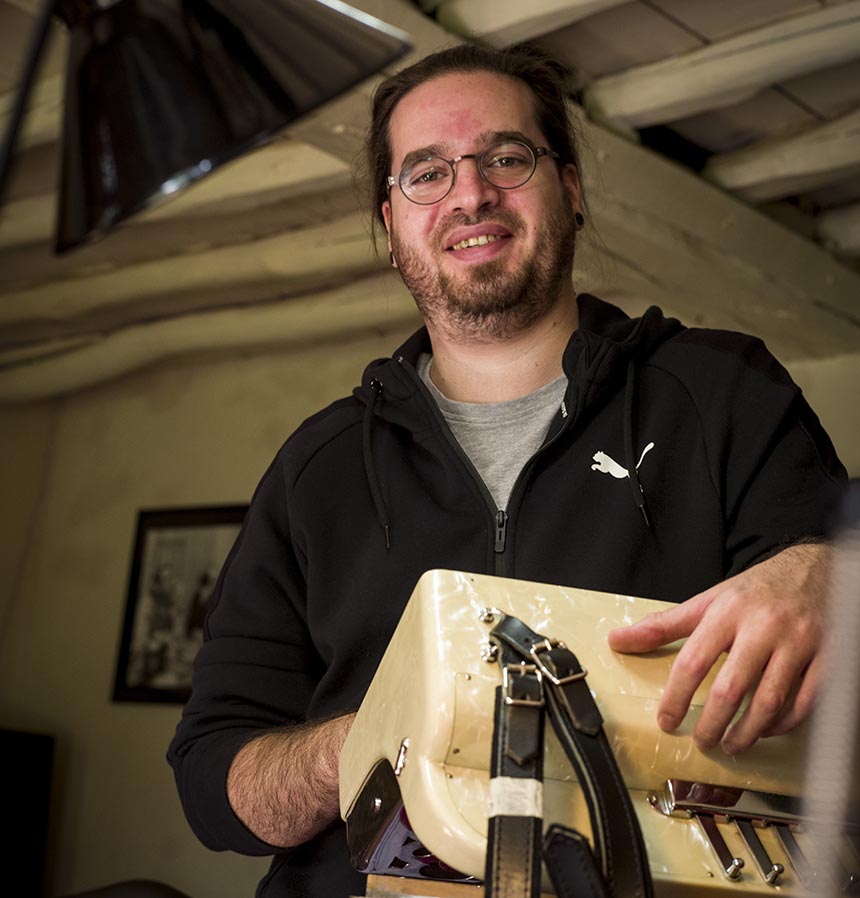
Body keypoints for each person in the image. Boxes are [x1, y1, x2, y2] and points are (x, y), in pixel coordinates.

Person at [167, 43, 846, 898]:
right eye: (427, 172)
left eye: (506, 157)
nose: (470, 193)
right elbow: (212, 778)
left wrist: (830, 572)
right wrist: (383, 733)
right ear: (389, 224)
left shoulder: (721, 392)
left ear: (570, 188)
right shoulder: (318, 467)